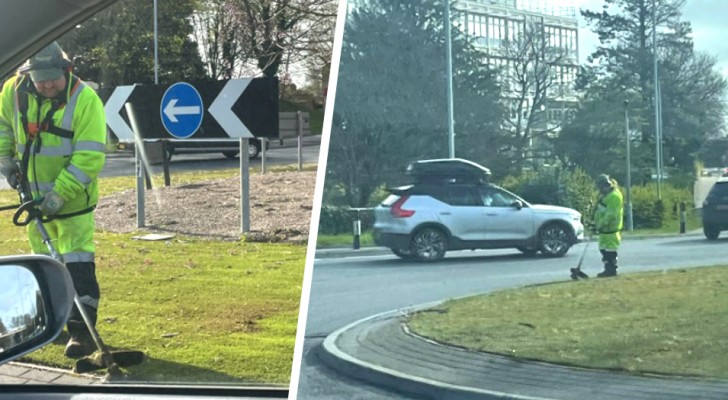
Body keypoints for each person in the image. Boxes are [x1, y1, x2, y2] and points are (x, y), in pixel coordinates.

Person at [0, 42, 107, 358]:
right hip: (33, 202)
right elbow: (3, 126)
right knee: (43, 266)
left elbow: (89, 157)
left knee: (76, 264)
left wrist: (59, 194)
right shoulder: (13, 91)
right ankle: (47, 324)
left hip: (73, 204)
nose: (46, 85)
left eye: (52, 78)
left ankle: (82, 333)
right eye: (39, 78)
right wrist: (6, 161)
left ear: (66, 71)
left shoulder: (86, 101)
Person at [593, 174, 624, 277]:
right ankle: (608, 268)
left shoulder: (614, 197)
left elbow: (611, 215)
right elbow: (600, 210)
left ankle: (611, 270)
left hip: (611, 230)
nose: (600, 190)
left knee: (610, 251)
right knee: (604, 250)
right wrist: (594, 223)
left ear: (607, 185)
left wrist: (600, 225)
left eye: (602, 187)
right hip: (604, 230)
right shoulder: (604, 195)